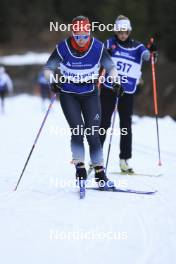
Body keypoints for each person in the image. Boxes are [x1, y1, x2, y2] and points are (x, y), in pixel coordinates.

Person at [44, 15, 121, 189]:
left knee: (93, 132)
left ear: (89, 33)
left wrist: (116, 82)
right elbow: (48, 68)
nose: (81, 40)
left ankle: (100, 174)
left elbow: (111, 68)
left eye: (84, 36)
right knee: (77, 130)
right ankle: (80, 168)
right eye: (77, 36)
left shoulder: (98, 47)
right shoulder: (63, 47)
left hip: (90, 94)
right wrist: (52, 81)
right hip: (68, 94)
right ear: (72, 34)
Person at [99, 15, 157, 173]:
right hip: (109, 89)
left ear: (129, 31)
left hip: (127, 91)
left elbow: (147, 56)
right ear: (116, 31)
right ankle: (95, 158)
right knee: (104, 122)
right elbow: (100, 56)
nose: (122, 35)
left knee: (125, 126)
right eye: (120, 32)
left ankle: (124, 160)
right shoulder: (110, 43)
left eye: (125, 32)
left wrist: (152, 54)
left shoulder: (137, 46)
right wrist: (106, 54)